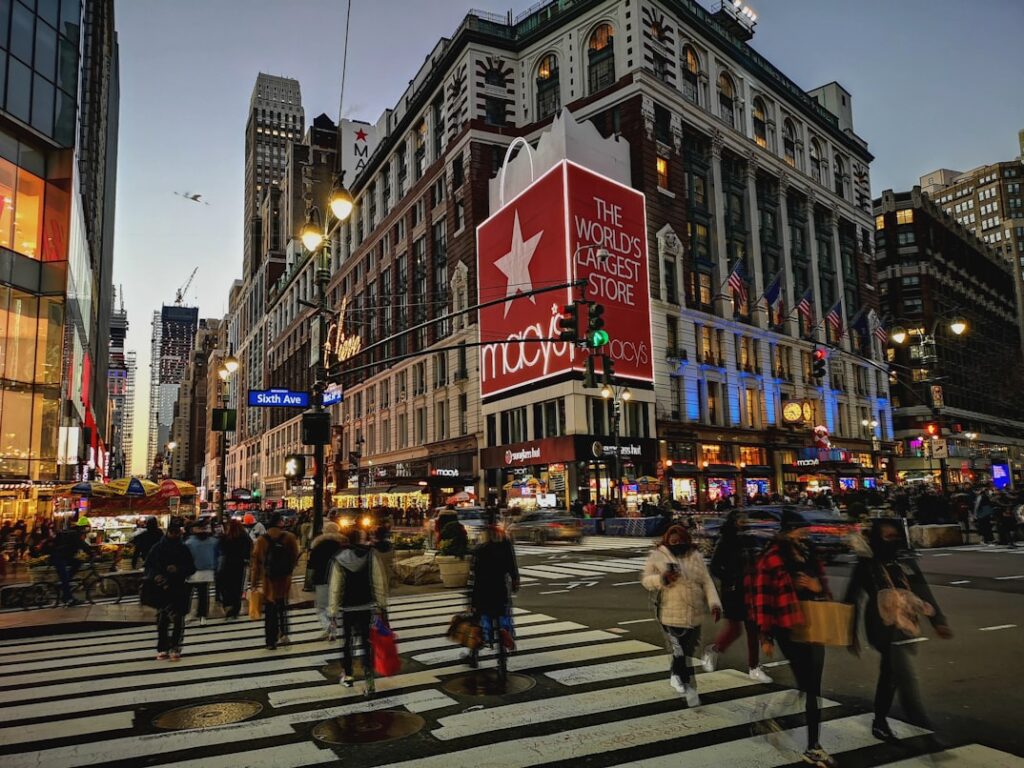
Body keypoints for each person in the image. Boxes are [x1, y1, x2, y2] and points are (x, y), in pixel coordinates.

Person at [844, 520, 952, 743]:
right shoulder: (867, 563)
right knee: (901, 674)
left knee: (892, 674)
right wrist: (849, 633)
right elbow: (852, 598)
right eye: (886, 536)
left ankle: (881, 721)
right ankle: (916, 726)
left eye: (894, 536)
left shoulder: (903, 560)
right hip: (879, 625)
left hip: (905, 624)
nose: (891, 541)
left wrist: (938, 620)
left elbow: (922, 589)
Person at [754, 511, 835, 767]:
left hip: (815, 620)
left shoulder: (810, 552)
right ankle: (811, 744)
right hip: (786, 625)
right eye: (801, 530)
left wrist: (816, 587)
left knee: (812, 687)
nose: (805, 534)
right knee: (808, 685)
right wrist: (764, 634)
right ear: (788, 531)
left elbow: (823, 584)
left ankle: (807, 740)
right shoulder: (771, 557)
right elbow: (762, 597)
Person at [641, 524, 721, 707]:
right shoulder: (658, 556)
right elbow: (646, 580)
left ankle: (676, 674)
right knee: (680, 652)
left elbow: (706, 581)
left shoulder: (695, 556)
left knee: (687, 652)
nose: (677, 544)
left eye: (681, 541)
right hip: (669, 613)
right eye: (673, 541)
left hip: (694, 613)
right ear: (667, 541)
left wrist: (715, 604)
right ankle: (689, 688)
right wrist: (662, 579)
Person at [703, 511, 772, 684]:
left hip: (751, 588)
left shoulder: (751, 540)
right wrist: (731, 578)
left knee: (753, 629)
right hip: (734, 590)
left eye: (745, 519)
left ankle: (754, 667)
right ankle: (714, 650)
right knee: (735, 629)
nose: (744, 522)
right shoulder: (726, 541)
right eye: (740, 520)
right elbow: (715, 567)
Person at [327, 529, 389, 689]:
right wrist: (381, 605)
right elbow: (378, 581)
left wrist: (333, 612)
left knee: (347, 642)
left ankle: (348, 675)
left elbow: (335, 587)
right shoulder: (370, 555)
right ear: (360, 539)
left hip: (347, 607)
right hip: (366, 604)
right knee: (366, 641)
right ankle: (369, 675)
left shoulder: (339, 558)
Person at [465, 510, 520, 675]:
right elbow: (512, 564)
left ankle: (474, 653)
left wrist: (470, 598)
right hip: (500, 589)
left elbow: (473, 572)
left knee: (478, 621)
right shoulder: (504, 542)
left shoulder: (480, 545)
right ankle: (505, 642)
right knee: (504, 617)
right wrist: (515, 580)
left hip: (482, 590)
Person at [144, 521, 196, 661]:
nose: (174, 534)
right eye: (172, 532)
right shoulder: (158, 548)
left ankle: (175, 647)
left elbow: (191, 567)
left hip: (178, 586)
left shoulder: (183, 548)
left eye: (176, 532)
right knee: (163, 620)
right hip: (162, 587)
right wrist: (156, 576)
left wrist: (178, 569)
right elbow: (148, 566)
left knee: (178, 619)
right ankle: (163, 647)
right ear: (168, 532)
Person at [250, 512, 300, 650]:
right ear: (280, 522)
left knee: (270, 610)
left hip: (268, 580)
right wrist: (289, 569)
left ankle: (270, 641)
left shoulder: (261, 540)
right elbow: (295, 556)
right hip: (284, 578)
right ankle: (284, 633)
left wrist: (254, 583)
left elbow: (256, 563)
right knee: (283, 606)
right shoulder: (289, 537)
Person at [309, 521, 347, 638]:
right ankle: (335, 627)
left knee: (321, 606)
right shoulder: (343, 545)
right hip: (339, 579)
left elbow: (312, 564)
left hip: (321, 578)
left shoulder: (317, 545)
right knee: (336, 605)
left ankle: (328, 627)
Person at [51, 517, 94, 606]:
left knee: (77, 562)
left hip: (64, 556)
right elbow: (82, 545)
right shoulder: (75, 534)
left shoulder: (75, 533)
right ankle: (68, 599)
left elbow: (82, 545)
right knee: (65, 578)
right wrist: (92, 554)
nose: (87, 529)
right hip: (58, 557)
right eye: (86, 527)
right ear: (83, 527)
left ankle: (68, 579)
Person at [217, 519, 251, 620]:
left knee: (226, 585)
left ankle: (228, 605)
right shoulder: (244, 536)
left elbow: (221, 548)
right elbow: (248, 547)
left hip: (227, 563)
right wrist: (246, 559)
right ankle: (236, 608)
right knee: (237, 586)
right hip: (239, 564)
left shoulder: (225, 537)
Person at [185, 524, 218, 625]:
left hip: (193, 571)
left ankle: (188, 613)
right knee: (203, 594)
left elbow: (186, 557)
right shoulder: (213, 541)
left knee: (188, 594)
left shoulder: (189, 542)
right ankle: (202, 615)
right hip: (207, 571)